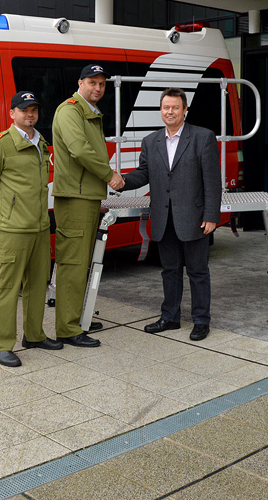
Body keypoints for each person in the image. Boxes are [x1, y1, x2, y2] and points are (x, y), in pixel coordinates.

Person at [120, 87, 222, 341]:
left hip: (195, 218)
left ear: (185, 110)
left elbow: (212, 181)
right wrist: (121, 180)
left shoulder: (203, 137)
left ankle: (201, 321)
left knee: (198, 271)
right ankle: (170, 317)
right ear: (161, 110)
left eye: (175, 107)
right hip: (164, 219)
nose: (170, 112)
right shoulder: (151, 141)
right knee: (170, 270)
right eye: (166, 107)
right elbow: (143, 174)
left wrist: (211, 215)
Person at [0, 91, 63, 367]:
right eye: (24, 110)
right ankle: (1, 345)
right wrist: (1, 220)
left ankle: (34, 335)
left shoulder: (41, 143)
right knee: (6, 287)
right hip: (13, 231)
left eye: (34, 110)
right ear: (12, 113)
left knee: (38, 284)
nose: (30, 114)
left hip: (39, 228)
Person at [50, 64, 123, 347]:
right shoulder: (70, 110)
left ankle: (77, 319)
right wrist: (109, 175)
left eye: (102, 84)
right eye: (92, 82)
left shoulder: (88, 111)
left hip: (87, 197)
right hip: (75, 198)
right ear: (80, 83)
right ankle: (68, 329)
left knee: (83, 264)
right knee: (73, 264)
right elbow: (80, 150)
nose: (98, 88)